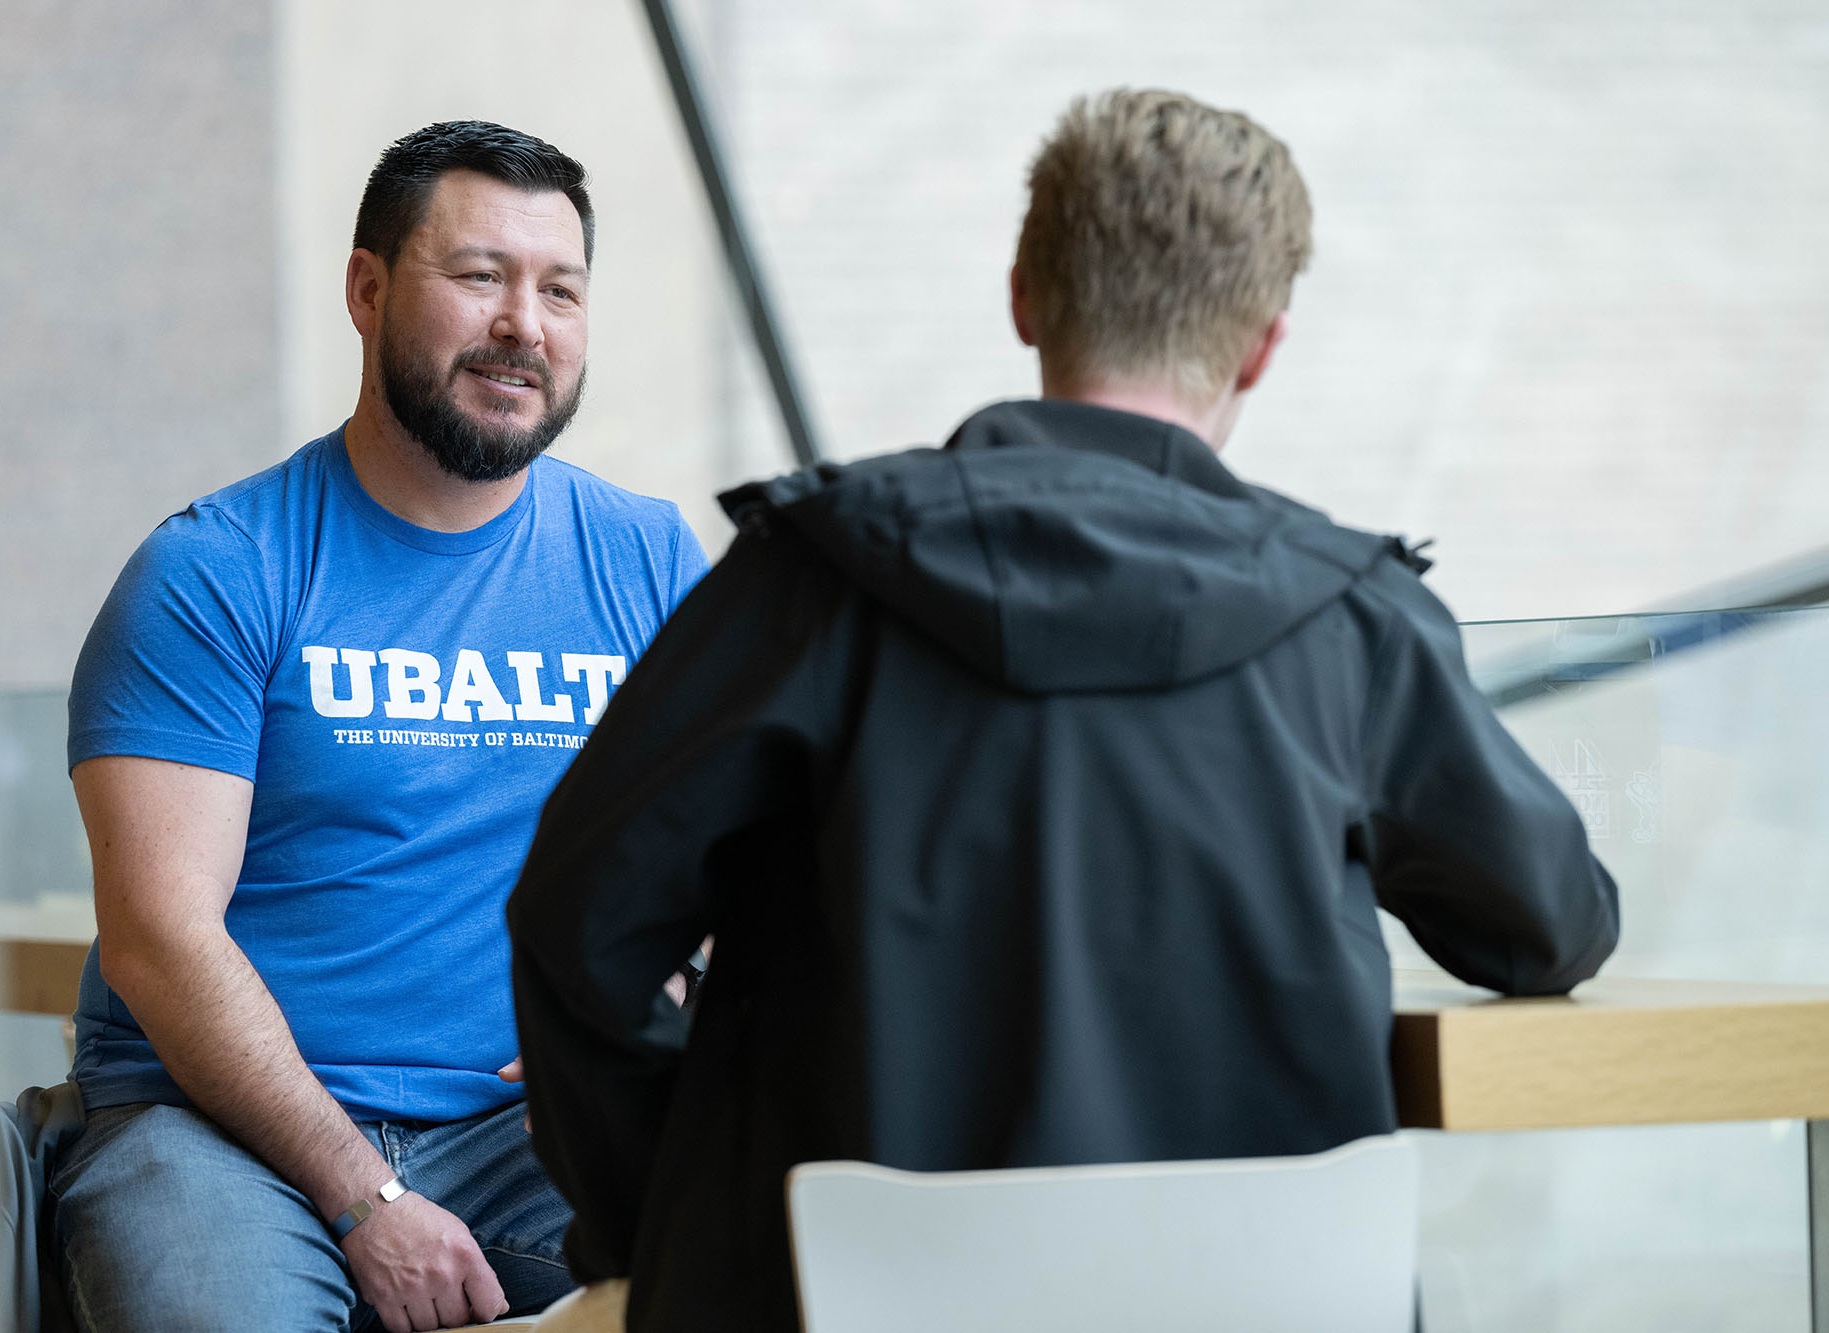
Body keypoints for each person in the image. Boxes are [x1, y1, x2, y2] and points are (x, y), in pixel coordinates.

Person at [505, 89, 1620, 1332]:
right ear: (1259, 345)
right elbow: (1548, 928)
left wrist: (672, 1210)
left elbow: (576, 923)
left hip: (841, 1304)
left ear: (1024, 296)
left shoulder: (809, 581)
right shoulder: (1351, 621)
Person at [50, 121, 708, 1333]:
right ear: (367, 288)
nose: (525, 322)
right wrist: (364, 1196)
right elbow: (158, 938)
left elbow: (728, 857)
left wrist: (661, 962)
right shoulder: (216, 570)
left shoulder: (648, 560)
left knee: (774, 1262)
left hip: (524, 1128)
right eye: (478, 276)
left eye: (559, 289)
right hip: (219, 1128)